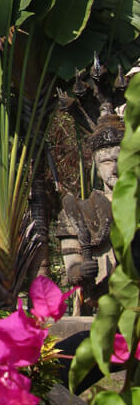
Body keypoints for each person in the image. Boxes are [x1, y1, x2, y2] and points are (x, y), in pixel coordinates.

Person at [58, 112, 124, 310]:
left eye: (121, 159)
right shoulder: (79, 211)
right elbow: (71, 269)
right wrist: (81, 270)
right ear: (96, 167)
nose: (115, 169)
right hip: (99, 303)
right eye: (107, 162)